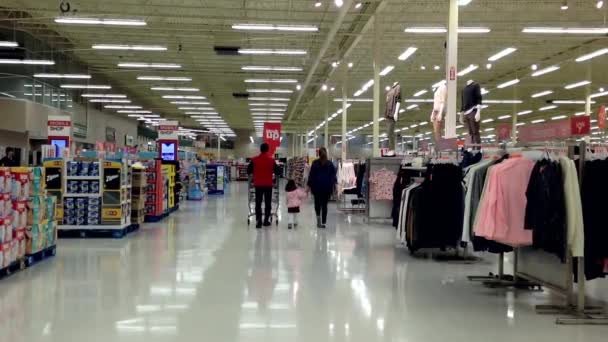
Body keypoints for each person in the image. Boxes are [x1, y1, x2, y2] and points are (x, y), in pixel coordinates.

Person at [248, 143, 279, 228]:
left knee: (258, 202)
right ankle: (266, 221)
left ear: (260, 149)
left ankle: (258, 221)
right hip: (268, 184)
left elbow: (248, 170)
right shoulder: (271, 160)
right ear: (267, 150)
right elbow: (278, 172)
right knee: (268, 203)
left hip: (258, 184)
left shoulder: (254, 160)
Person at [307, 147, 336, 228]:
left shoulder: (315, 163)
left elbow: (311, 175)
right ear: (326, 153)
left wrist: (309, 186)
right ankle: (323, 222)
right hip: (327, 187)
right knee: (324, 205)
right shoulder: (330, 164)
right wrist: (333, 186)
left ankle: (318, 219)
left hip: (316, 187)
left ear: (318, 154)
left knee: (317, 204)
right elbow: (333, 177)